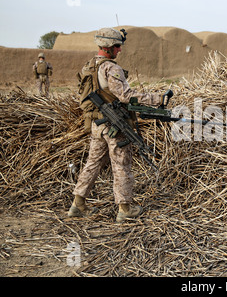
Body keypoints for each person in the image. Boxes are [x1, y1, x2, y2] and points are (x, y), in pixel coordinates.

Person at [68, 27, 165, 222]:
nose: (119, 50)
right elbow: (126, 96)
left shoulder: (89, 66)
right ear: (109, 47)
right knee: (121, 165)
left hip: (97, 124)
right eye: (117, 46)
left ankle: (77, 204)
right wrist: (157, 99)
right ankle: (125, 208)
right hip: (114, 126)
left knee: (92, 163)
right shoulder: (111, 68)